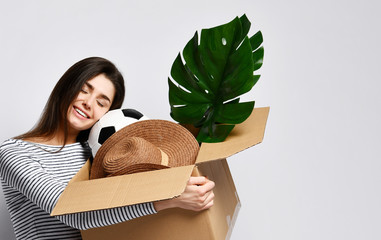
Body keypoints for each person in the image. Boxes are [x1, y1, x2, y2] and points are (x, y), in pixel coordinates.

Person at [0, 57, 215, 240]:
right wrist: (172, 199)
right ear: (66, 87)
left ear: (107, 115)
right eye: (84, 90)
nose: (88, 103)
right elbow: (73, 214)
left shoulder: (101, 156)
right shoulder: (15, 152)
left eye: (101, 103)